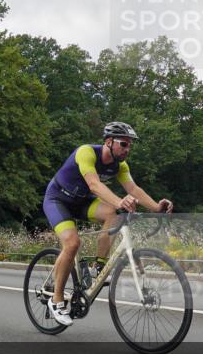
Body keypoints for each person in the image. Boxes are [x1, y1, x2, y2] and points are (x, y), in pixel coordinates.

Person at [42, 122, 173, 326]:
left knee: (113, 213)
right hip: (58, 200)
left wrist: (156, 207)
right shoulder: (86, 153)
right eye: (123, 144)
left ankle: (98, 267)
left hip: (81, 202)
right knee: (72, 243)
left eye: (130, 145)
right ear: (109, 141)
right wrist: (120, 201)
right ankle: (56, 300)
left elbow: (133, 189)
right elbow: (94, 184)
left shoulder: (120, 166)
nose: (127, 149)